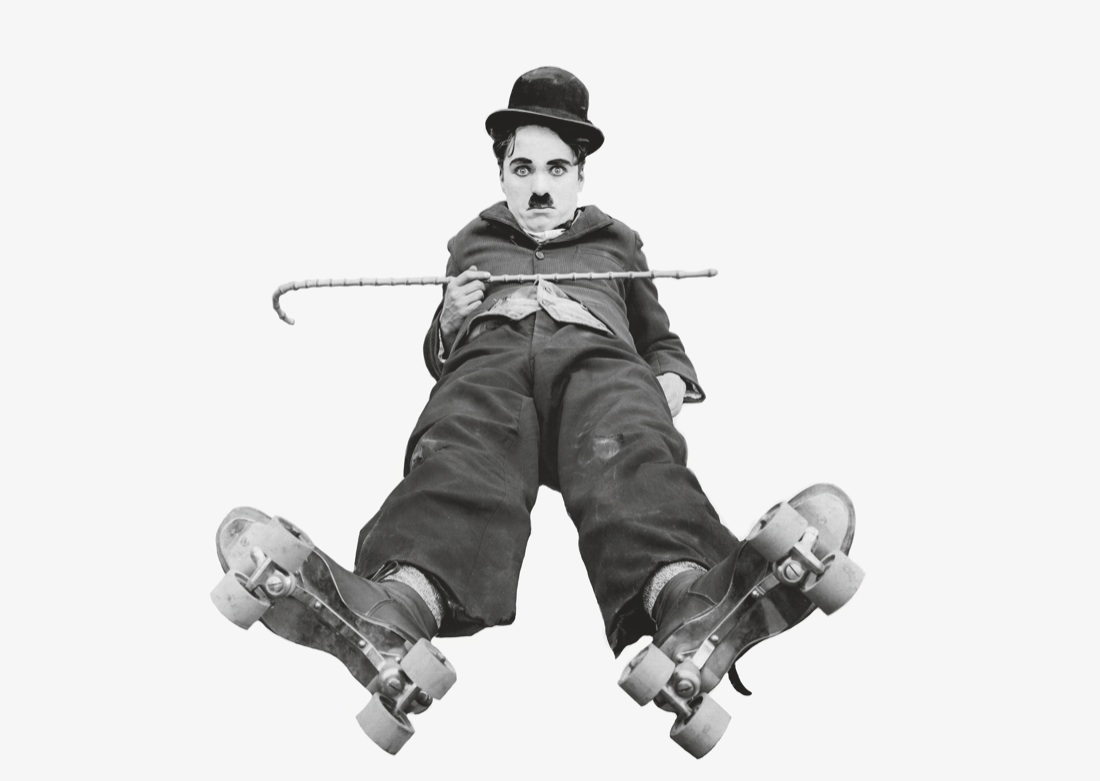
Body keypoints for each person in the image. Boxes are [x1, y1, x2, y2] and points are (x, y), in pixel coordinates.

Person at [212, 66, 862, 758]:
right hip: (492, 366)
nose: (540, 187)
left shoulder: (618, 242)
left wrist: (669, 381)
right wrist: (449, 320)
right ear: (501, 174)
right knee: (463, 448)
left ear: (581, 173)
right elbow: (439, 350)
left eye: (557, 169)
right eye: (523, 169)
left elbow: (659, 338)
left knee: (626, 448)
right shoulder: (472, 240)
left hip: (596, 361)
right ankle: (396, 607)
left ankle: (688, 601)